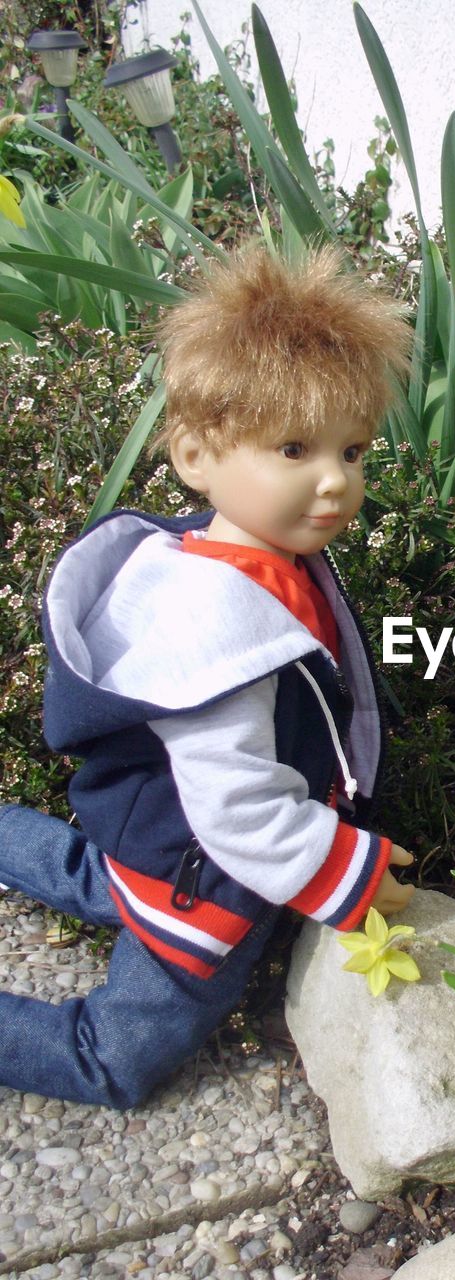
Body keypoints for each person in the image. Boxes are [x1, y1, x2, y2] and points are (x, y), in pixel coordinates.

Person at [0, 243, 414, 1108]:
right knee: (111, 1060)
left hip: (154, 825)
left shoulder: (249, 558)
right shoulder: (214, 630)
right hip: (202, 877)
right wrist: (350, 872)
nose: (336, 480)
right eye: (294, 447)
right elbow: (236, 809)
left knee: (97, 873)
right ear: (194, 455)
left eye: (355, 449)